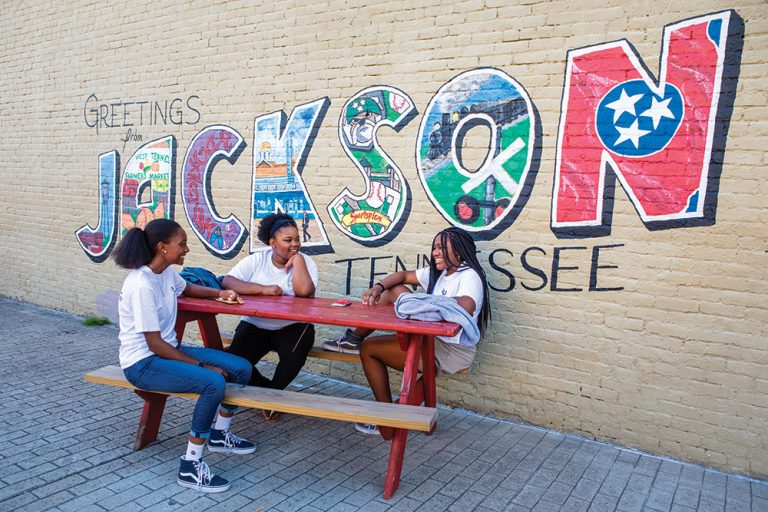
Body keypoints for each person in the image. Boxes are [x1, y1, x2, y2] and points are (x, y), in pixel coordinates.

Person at [112, 218, 256, 493]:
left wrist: (220, 293)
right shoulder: (141, 284)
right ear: (162, 247)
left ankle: (220, 434)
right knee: (212, 383)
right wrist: (201, 366)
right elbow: (153, 344)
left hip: (168, 350)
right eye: (182, 244)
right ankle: (191, 465)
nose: (186, 249)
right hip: (143, 363)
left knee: (241, 367)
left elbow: (186, 288)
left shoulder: (164, 272)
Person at [323, 227, 491, 437]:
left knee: (369, 350)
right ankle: (353, 339)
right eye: (434, 248)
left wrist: (425, 302)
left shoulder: (469, 275)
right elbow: (402, 275)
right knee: (392, 290)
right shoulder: (439, 273)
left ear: (458, 250)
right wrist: (378, 287)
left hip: (451, 350)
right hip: (430, 340)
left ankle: (386, 419)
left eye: (441, 248)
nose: (435, 253)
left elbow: (466, 305)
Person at [221, 212, 318, 420]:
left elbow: (305, 292)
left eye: (297, 239)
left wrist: (298, 260)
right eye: (288, 240)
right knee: (235, 362)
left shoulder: (306, 262)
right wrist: (262, 289)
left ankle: (272, 397)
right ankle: (269, 392)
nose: (295, 244)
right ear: (272, 242)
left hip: (293, 326)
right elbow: (227, 281)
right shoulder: (257, 260)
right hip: (255, 324)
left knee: (294, 357)